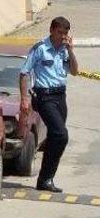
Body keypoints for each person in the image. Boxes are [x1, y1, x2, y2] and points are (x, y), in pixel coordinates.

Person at [19, 16, 79, 193]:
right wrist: (24, 98)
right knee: (61, 135)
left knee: (55, 138)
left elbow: (74, 71)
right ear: (51, 30)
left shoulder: (64, 50)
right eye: (60, 32)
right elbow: (24, 73)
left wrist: (71, 51)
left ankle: (45, 179)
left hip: (60, 96)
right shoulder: (40, 48)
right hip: (44, 97)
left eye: (65, 33)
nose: (62, 36)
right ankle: (46, 178)